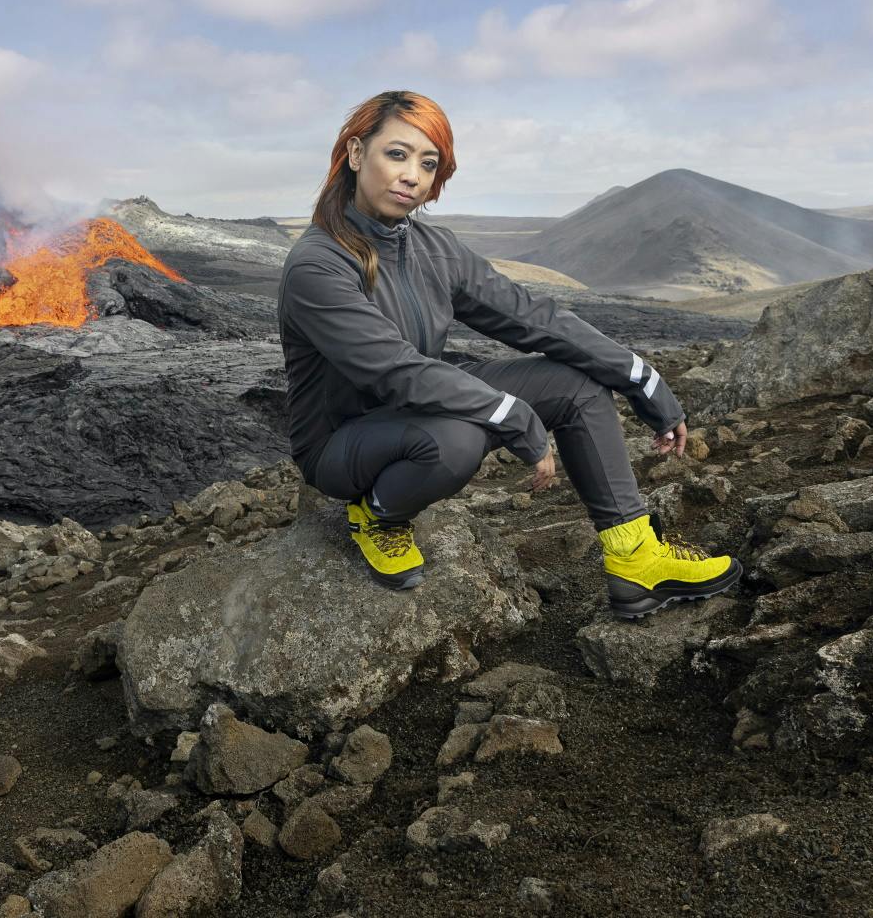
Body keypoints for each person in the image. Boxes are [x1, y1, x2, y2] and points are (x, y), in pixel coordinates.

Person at [276, 89, 741, 615]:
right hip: (341, 443)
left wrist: (640, 378)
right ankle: (376, 514)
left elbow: (531, 317)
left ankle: (634, 559)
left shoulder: (435, 248)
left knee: (577, 384)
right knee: (457, 438)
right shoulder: (318, 265)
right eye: (397, 154)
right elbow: (394, 370)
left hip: (414, 408)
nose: (412, 176)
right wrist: (512, 414)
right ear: (357, 154)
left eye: (429, 164)